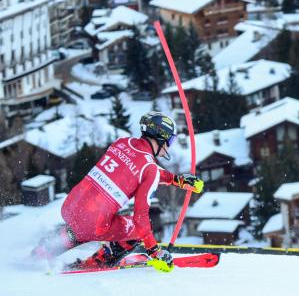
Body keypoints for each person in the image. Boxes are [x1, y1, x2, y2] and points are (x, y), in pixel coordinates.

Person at [31, 111, 204, 272]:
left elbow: (141, 168)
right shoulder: (149, 168)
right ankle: (94, 264)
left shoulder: (122, 143)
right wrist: (154, 251)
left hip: (70, 207)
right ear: (161, 137)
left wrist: (177, 180)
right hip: (92, 223)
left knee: (83, 221)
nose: (169, 146)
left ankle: (44, 250)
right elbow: (140, 217)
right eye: (170, 141)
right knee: (136, 229)